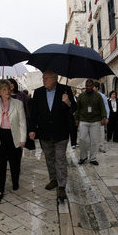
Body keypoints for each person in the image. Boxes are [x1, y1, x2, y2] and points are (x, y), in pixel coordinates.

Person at [29, 70, 76, 201]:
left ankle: (61, 186)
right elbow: (33, 113)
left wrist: (68, 102)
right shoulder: (38, 92)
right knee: (49, 158)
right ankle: (53, 179)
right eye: (43, 78)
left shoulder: (65, 90)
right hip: (44, 132)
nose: (44, 81)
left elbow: (74, 109)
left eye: (46, 78)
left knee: (60, 159)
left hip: (61, 132)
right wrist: (32, 129)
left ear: (55, 79)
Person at [0, 79, 26, 204]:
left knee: (15, 162)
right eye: (4, 90)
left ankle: (15, 181)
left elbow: (22, 122)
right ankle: (0, 190)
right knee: (1, 164)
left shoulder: (18, 103)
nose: (7, 91)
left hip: (13, 135)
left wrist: (23, 139)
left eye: (8, 89)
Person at [75, 79, 107, 166]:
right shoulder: (81, 96)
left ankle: (93, 158)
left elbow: (102, 107)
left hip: (95, 121)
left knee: (94, 140)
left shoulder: (98, 96)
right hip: (83, 120)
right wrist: (76, 119)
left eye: (89, 86)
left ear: (93, 86)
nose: (88, 87)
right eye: (87, 86)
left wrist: (104, 117)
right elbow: (77, 109)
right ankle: (83, 157)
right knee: (82, 139)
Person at [93, 82, 110, 153]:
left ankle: (102, 147)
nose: (92, 88)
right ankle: (94, 147)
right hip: (92, 117)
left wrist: (106, 117)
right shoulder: (90, 95)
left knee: (101, 132)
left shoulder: (102, 96)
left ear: (97, 88)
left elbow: (106, 107)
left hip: (100, 117)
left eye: (93, 87)